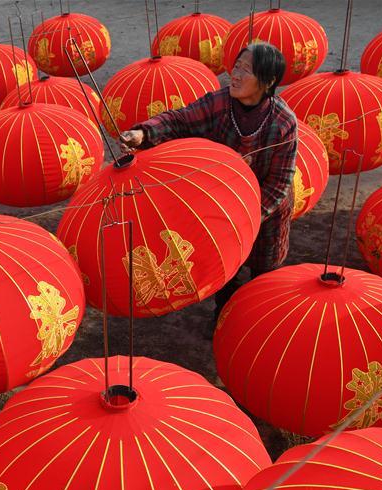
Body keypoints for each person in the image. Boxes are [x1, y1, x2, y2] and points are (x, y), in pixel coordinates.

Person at [120, 42, 298, 317]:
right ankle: (225, 318)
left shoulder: (283, 122)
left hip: (266, 210)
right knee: (227, 270)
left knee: (264, 273)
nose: (235, 75)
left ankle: (260, 320)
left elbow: (280, 182)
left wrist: (247, 216)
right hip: (222, 206)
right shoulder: (219, 102)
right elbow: (180, 120)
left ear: (269, 80)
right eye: (236, 66)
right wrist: (144, 133)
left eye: (246, 70)